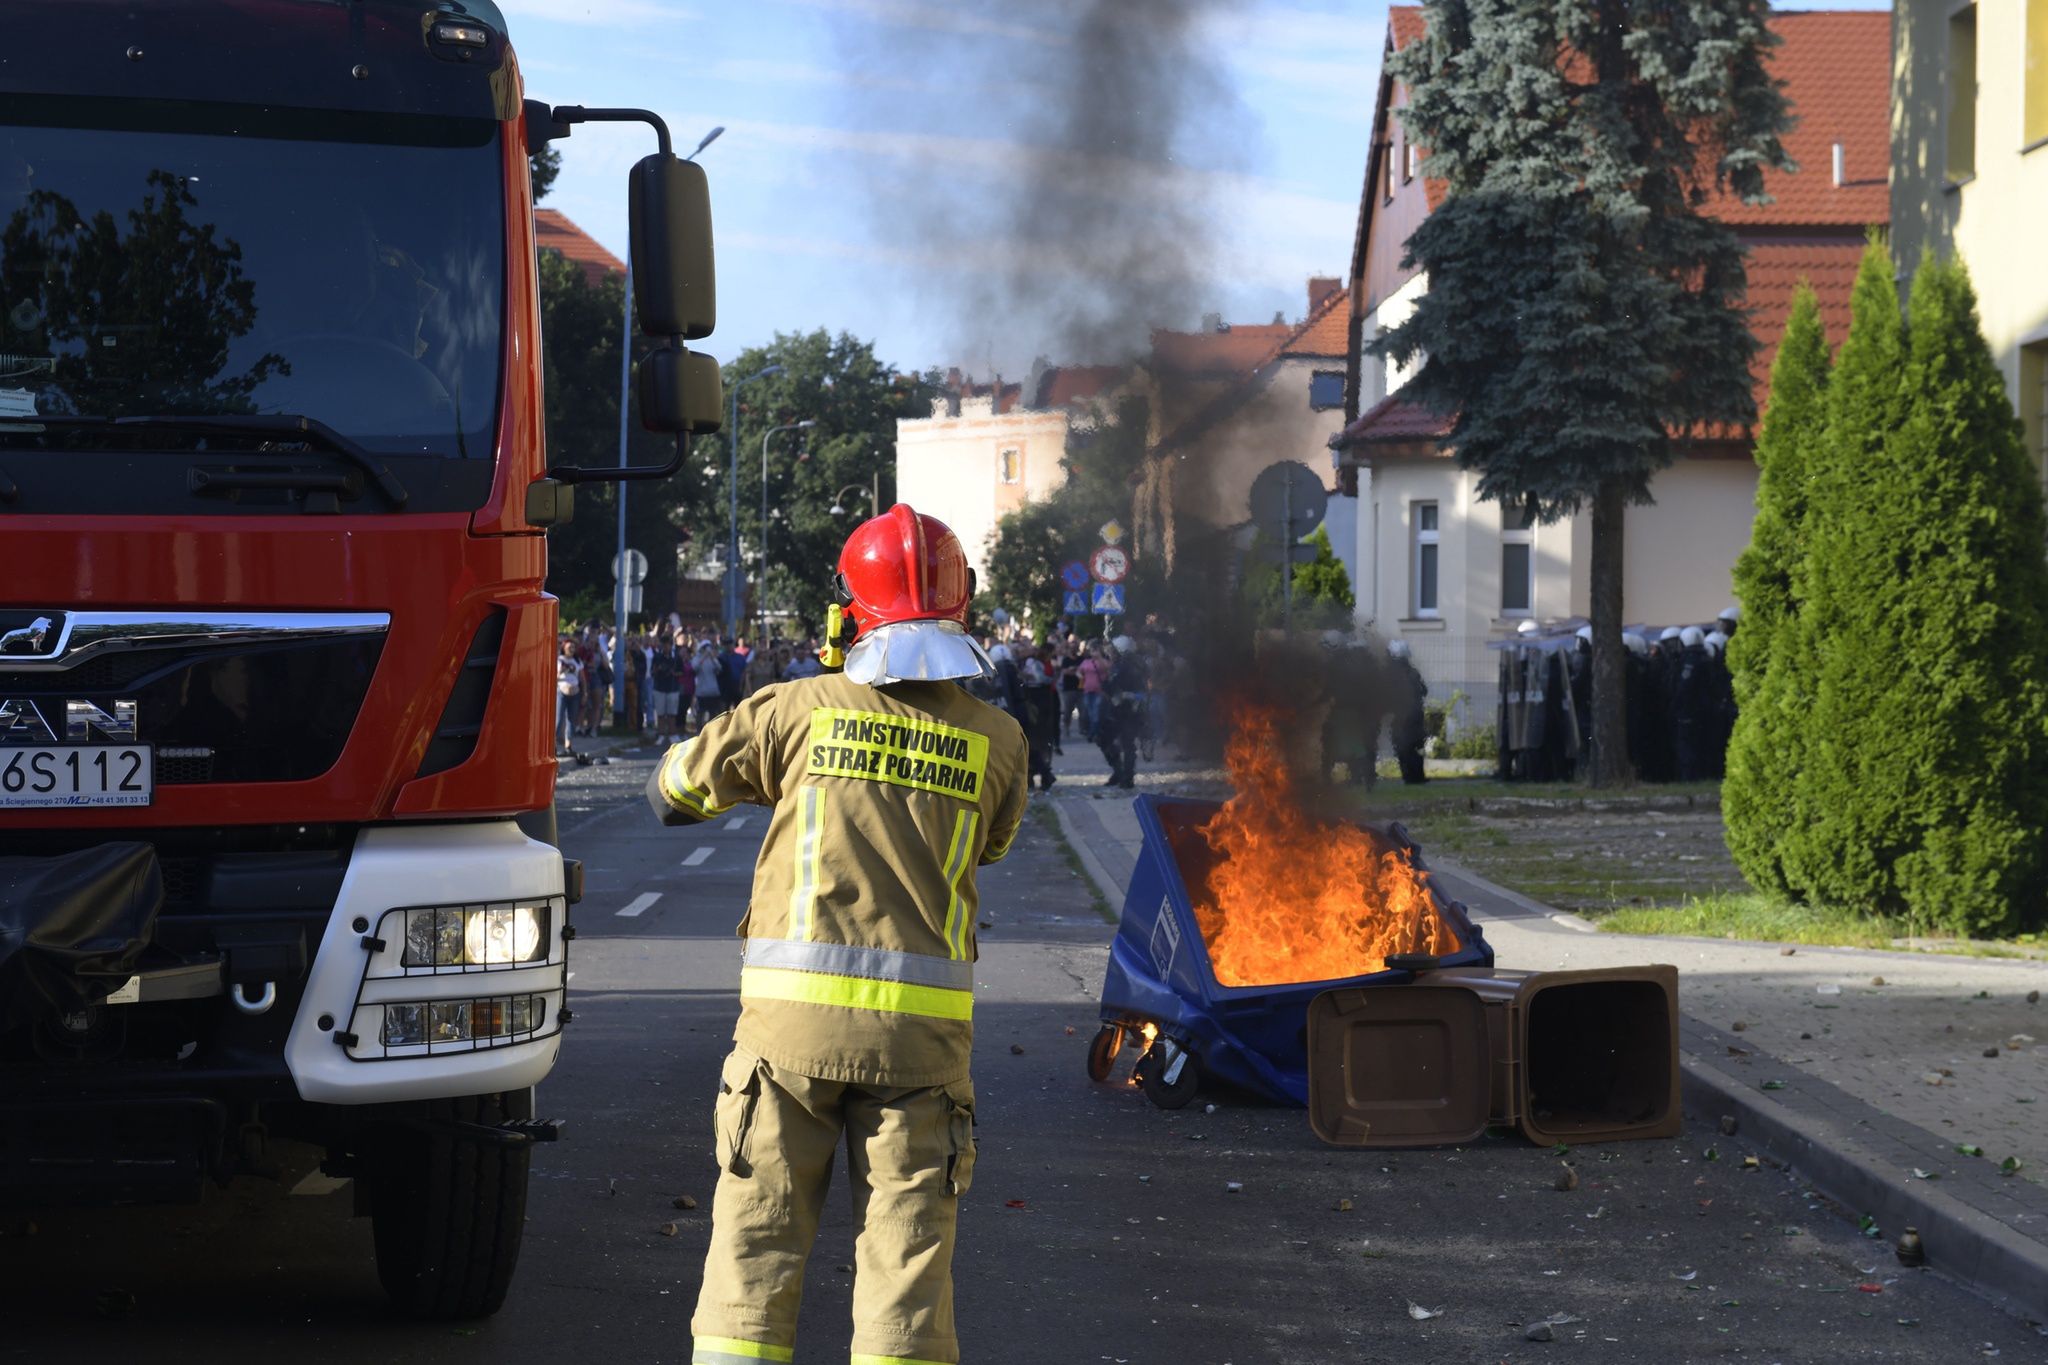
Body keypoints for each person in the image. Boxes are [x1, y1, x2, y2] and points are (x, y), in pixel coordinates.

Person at [647, 504, 1026, 1365]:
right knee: (908, 1267)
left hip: (789, 1042)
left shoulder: (794, 709)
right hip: (922, 1051)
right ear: (959, 610)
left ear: (851, 612)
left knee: (755, 1243)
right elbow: (992, 844)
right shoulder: (999, 740)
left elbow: (677, 790)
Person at [1096, 634, 1147, 788]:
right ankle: (1119, 772)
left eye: (1113, 650)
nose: (1110, 653)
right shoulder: (1118, 666)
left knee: (1127, 744)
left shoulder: (1129, 668)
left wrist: (1124, 694)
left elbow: (1139, 690)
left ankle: (1127, 777)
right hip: (1117, 711)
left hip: (1129, 712)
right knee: (1104, 739)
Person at [1018, 641, 1059, 791]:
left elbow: (1040, 679)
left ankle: (1041, 775)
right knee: (1032, 743)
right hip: (1036, 702)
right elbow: (1041, 679)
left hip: (1039, 704)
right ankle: (1040, 775)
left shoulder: (1032, 662)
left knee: (1036, 743)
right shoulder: (1028, 662)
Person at [1387, 639, 1429, 785]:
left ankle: (1408, 777)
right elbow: (1424, 691)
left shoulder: (1391, 674)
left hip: (1401, 716)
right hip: (1416, 715)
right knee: (1416, 746)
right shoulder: (1413, 672)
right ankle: (1418, 776)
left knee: (1402, 746)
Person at [649, 630, 684, 742]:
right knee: (660, 713)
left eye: (667, 644)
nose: (665, 647)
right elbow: (652, 672)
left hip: (673, 688)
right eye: (663, 644)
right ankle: (661, 734)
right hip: (659, 687)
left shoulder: (676, 658)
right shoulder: (657, 657)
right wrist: (657, 669)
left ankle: (673, 734)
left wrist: (674, 673)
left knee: (672, 713)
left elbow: (681, 672)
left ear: (670, 645)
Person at [554, 636, 581, 754]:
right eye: (569, 647)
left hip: (575, 693)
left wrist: (584, 692)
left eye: (573, 647)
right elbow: (555, 677)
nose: (572, 649)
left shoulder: (577, 661)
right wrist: (561, 672)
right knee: (559, 719)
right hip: (562, 692)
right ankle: (553, 745)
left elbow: (582, 677)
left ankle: (568, 745)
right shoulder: (559, 660)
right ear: (564, 648)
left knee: (571, 719)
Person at [693, 640, 726, 726]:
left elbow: (719, 668)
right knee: (700, 713)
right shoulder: (697, 658)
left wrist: (712, 657)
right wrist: (704, 656)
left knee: (713, 713)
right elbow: (695, 667)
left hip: (713, 691)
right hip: (701, 692)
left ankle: (712, 730)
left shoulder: (712, 659)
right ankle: (699, 731)